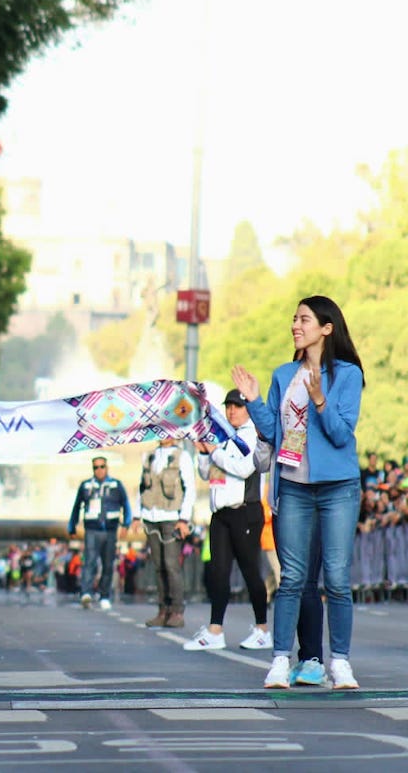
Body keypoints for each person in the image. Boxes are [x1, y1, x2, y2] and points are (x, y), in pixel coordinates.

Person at [232, 295, 364, 690]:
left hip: (338, 486)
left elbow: (342, 434)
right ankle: (279, 661)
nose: (296, 325)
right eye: (294, 319)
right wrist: (255, 400)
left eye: (304, 319)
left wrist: (321, 400)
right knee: (291, 578)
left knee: (337, 579)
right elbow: (273, 432)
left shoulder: (348, 374)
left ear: (326, 327)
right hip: (294, 485)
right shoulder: (283, 373)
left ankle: (339, 662)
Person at [184, 388, 271, 652]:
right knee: (218, 573)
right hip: (220, 512)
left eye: (238, 406)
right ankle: (215, 630)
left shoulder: (252, 435)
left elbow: (244, 468)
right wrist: (202, 453)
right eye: (229, 406)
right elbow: (206, 472)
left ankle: (262, 628)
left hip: (245, 510)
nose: (232, 411)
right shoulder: (220, 436)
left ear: (248, 410)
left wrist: (215, 452)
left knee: (249, 571)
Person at [138, 437, 196, 628]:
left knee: (171, 565)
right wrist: (138, 515)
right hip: (151, 516)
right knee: (158, 566)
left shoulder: (182, 456)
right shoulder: (150, 456)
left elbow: (190, 489)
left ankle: (177, 611)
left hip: (172, 517)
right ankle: (163, 610)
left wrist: (184, 519)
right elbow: (142, 488)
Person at [68, 455, 131, 611]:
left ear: (107, 467)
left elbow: (126, 505)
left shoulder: (116, 485)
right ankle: (86, 593)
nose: (99, 470)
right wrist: (72, 526)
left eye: (102, 466)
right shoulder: (86, 486)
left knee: (108, 564)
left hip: (110, 530)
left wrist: (126, 524)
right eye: (96, 467)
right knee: (89, 561)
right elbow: (76, 507)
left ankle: (104, 595)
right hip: (92, 529)